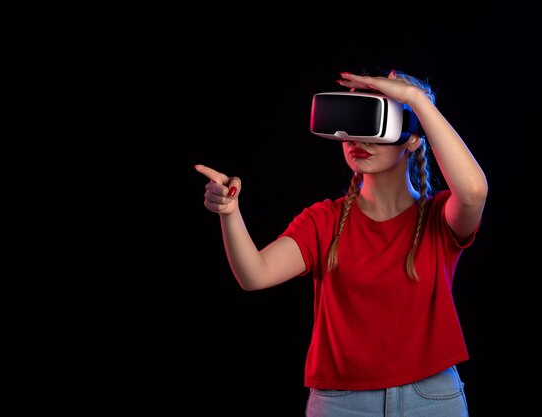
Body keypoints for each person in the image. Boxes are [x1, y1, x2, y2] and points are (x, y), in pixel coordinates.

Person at [195, 69, 487, 417]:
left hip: (432, 397)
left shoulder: (439, 217)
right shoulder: (325, 221)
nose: (355, 139)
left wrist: (415, 101)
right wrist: (230, 212)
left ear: (412, 136)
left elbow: (473, 191)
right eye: (350, 122)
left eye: (372, 120)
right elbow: (254, 274)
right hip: (342, 403)